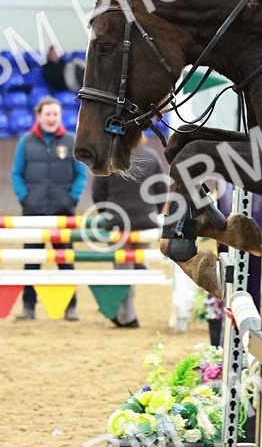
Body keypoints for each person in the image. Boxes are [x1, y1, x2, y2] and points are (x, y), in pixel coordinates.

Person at [11, 96, 88, 320]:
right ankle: (28, 307)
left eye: (56, 114)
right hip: (33, 213)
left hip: (62, 213)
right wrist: (25, 198)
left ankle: (71, 307)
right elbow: (16, 173)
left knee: (65, 261)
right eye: (48, 114)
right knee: (31, 262)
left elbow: (81, 174)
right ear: (39, 116)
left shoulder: (71, 140)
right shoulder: (25, 142)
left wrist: (71, 199)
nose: (52, 118)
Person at [91, 134, 165, 328]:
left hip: (118, 223)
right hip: (145, 221)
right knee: (133, 263)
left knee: (122, 271)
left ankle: (127, 316)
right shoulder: (151, 155)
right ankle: (140, 263)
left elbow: (97, 193)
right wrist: (153, 212)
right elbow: (162, 188)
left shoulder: (108, 158)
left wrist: (107, 213)